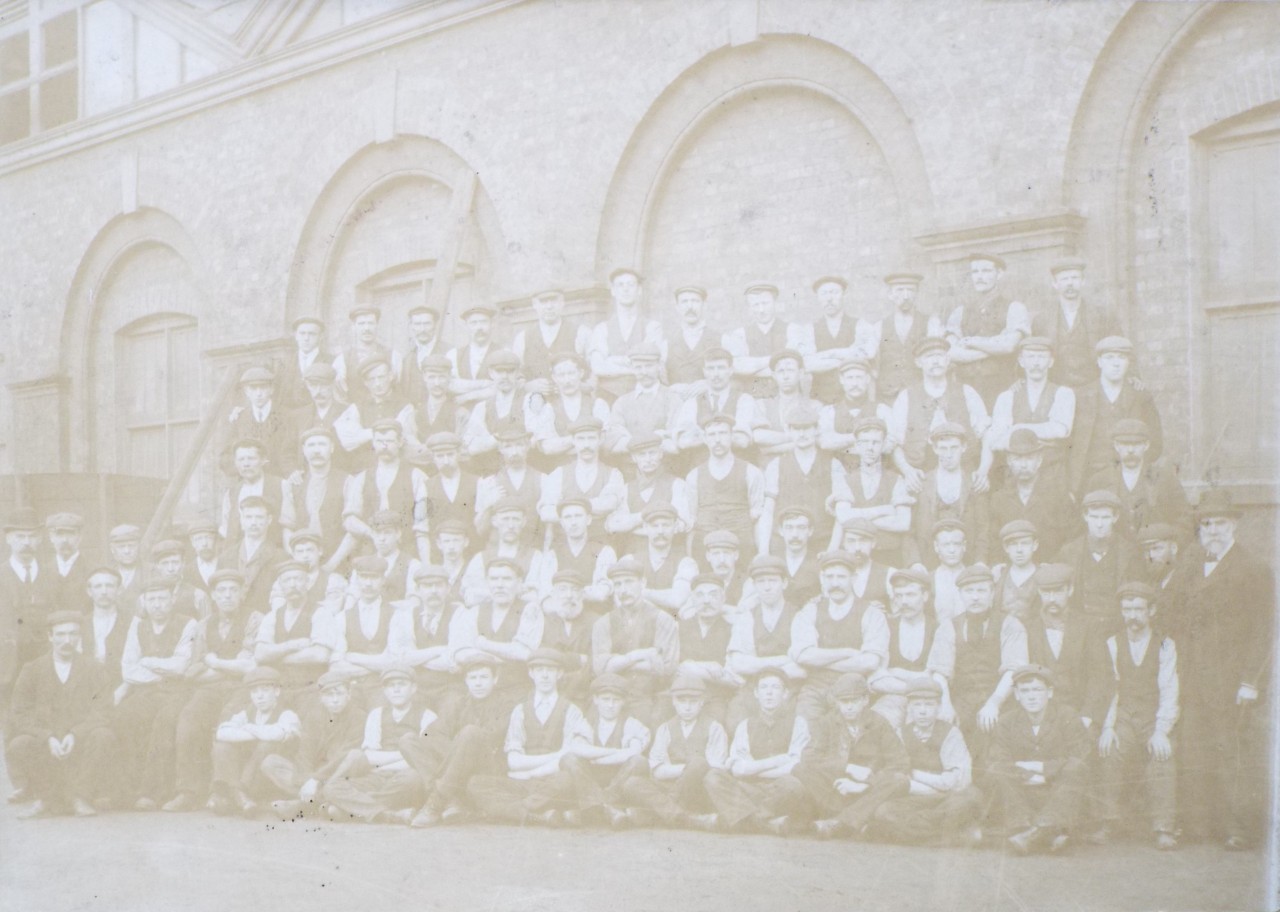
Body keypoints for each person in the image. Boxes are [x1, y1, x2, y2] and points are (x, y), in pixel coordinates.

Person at [1167, 489, 1274, 850]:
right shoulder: (1189, 563)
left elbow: (1263, 631)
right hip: (1194, 675)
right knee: (1196, 747)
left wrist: (1250, 682)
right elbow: (1171, 608)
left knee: (1234, 752)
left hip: (1232, 679)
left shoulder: (1254, 569)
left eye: (1220, 523)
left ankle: (1240, 828)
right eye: (1206, 524)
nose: (1213, 530)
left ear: (1234, 527)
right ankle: (1203, 825)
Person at [162, 569, 260, 812]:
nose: (227, 596)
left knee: (226, 724)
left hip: (242, 689)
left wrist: (215, 662)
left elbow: (249, 666)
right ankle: (188, 791)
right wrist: (227, 666)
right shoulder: (204, 625)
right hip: (208, 689)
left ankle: (222, 793)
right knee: (188, 721)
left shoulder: (254, 619)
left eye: (233, 590)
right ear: (213, 596)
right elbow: (193, 668)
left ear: (241, 594)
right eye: (222, 591)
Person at [1093, 581, 1179, 850]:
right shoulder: (1112, 643)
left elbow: (1169, 690)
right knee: (1111, 749)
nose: (1132, 616)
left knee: (1162, 754)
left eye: (1139, 609)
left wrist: (1161, 731)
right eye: (1127, 609)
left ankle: (1164, 827)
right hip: (1124, 714)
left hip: (1154, 717)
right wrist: (1108, 727)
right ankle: (1108, 822)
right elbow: (1111, 688)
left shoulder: (1165, 645)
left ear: (1151, 611)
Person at [8, 611, 117, 818]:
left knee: (104, 736)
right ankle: (45, 798)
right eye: (60, 635)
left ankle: (80, 796)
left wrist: (75, 734)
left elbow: (103, 710)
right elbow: (20, 712)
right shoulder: (32, 669)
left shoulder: (94, 669)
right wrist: (47, 736)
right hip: (45, 739)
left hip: (80, 739)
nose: (67, 641)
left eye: (73, 634)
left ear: (79, 637)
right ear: (50, 636)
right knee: (19, 744)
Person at [467, 648, 592, 825]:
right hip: (521, 783)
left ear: (560, 674)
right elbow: (513, 761)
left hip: (552, 781)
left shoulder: (571, 710)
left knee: (567, 780)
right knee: (475, 783)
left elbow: (570, 759)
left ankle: (512, 811)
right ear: (531, 674)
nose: (545, 676)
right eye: (540, 670)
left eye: (550, 670)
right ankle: (540, 814)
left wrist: (533, 771)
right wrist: (556, 756)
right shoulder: (520, 711)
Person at [112, 579, 199, 809]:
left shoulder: (188, 623)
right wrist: (162, 673)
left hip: (178, 692)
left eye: (162, 599)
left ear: (172, 600)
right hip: (148, 691)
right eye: (152, 600)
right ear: (144, 602)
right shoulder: (137, 625)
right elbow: (129, 669)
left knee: (166, 721)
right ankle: (126, 790)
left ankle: (153, 792)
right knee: (123, 717)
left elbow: (181, 666)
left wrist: (148, 661)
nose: (157, 605)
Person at [987, 664, 1091, 855]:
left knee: (1077, 768)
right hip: (1022, 796)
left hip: (1059, 794)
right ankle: (1034, 829)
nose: (1031, 696)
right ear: (1016, 695)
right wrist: (1038, 774)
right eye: (1025, 691)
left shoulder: (1067, 715)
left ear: (1049, 693)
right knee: (996, 769)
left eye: (1037, 690)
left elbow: (1080, 756)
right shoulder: (1007, 721)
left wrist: (1042, 767)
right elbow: (998, 759)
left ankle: (1033, 834)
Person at [795, 671, 910, 839]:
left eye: (854, 701)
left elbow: (900, 763)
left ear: (865, 700)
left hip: (867, 792)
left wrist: (865, 784)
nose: (848, 707)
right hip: (836, 789)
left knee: (900, 780)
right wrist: (846, 768)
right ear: (837, 702)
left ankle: (840, 822)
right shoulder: (827, 722)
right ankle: (854, 820)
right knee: (800, 769)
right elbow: (809, 757)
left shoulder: (879, 723)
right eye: (843, 702)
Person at [321, 665, 442, 824]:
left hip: (405, 777)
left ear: (413, 688)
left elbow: (422, 760)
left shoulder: (428, 716)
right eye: (391, 686)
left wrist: (386, 762)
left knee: (413, 780)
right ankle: (388, 814)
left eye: (402, 684)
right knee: (332, 787)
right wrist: (404, 755)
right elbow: (370, 756)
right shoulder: (376, 715)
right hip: (377, 776)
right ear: (385, 691)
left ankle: (351, 808)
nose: (396, 690)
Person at [872, 676, 984, 846]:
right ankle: (952, 838)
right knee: (884, 811)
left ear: (939, 707)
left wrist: (915, 774)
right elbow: (892, 775)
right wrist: (927, 787)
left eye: (929, 705)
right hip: (917, 798)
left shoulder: (950, 733)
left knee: (970, 798)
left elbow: (956, 781)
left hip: (947, 798)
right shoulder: (900, 734)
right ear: (909, 707)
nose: (923, 711)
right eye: (917, 705)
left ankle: (921, 836)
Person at [407, 653, 512, 827]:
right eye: (473, 678)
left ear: (495, 679)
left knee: (470, 733)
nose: (478, 683)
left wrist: (462, 743)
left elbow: (492, 737)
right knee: (409, 740)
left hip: (487, 768)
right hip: (457, 768)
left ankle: (435, 804)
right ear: (466, 681)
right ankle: (454, 800)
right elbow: (431, 734)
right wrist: (458, 751)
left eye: (484, 677)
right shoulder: (459, 703)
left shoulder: (506, 704)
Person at [704, 668, 811, 834]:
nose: (769, 693)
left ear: (785, 693)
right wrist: (777, 761)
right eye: (764, 688)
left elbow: (795, 766)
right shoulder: (745, 725)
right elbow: (739, 769)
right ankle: (765, 823)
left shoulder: (799, 723)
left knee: (793, 785)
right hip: (749, 789)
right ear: (756, 693)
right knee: (713, 777)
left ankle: (742, 819)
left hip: (780, 789)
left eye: (775, 688)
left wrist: (753, 768)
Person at [789, 549, 890, 722]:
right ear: (822, 579)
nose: (835, 583)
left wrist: (820, 661)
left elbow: (869, 662)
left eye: (841, 577)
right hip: (815, 690)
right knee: (804, 729)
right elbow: (803, 655)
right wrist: (848, 652)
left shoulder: (871, 614)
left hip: (853, 692)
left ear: (853, 578)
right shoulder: (810, 610)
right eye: (829, 577)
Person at [949, 563, 1029, 774]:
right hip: (962, 700)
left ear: (993, 593)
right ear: (960, 594)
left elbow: (1015, 670)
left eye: (981, 591)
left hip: (1002, 699)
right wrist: (945, 705)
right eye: (969, 591)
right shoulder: (949, 626)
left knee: (998, 742)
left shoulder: (1011, 624)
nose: (975, 597)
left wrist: (994, 703)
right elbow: (939, 671)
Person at [621, 674, 726, 829]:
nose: (687, 707)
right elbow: (657, 771)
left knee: (699, 763)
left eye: (693, 702)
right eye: (682, 701)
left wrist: (691, 769)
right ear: (674, 702)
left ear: (701, 703)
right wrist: (687, 769)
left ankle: (659, 814)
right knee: (632, 783)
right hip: (669, 786)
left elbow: (713, 768)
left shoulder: (714, 728)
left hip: (698, 791)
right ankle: (690, 819)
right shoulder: (665, 728)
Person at [889, 337, 991, 492]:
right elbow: (894, 443)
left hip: (964, 473)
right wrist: (908, 472)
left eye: (940, 356)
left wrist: (983, 471)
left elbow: (987, 436)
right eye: (929, 357)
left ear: (948, 360)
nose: (936, 361)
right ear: (918, 363)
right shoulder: (906, 396)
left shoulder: (967, 392)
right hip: (920, 474)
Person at [1067, 336, 1163, 499]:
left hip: (1126, 476)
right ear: (1099, 362)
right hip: (1088, 477)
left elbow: (1156, 441)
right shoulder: (1081, 396)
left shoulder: (1140, 396)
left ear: (1128, 363)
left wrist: (1135, 469)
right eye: (1109, 357)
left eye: (1122, 357)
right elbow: (1069, 444)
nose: (1116, 363)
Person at [260, 671, 365, 819]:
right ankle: (314, 801)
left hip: (338, 775)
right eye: (329, 695)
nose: (335, 700)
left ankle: (303, 804)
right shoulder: (314, 716)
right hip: (313, 776)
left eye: (339, 694)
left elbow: (345, 755)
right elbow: (305, 753)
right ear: (321, 698)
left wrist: (315, 779)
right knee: (270, 762)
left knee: (352, 763)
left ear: (349, 695)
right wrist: (306, 782)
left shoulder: (358, 716)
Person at [591, 557, 679, 726]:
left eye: (629, 582)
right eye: (618, 584)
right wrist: (641, 655)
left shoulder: (663, 619)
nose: (623, 590)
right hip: (613, 698)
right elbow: (600, 669)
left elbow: (666, 667)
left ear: (643, 583)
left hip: (651, 696)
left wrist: (618, 661)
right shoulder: (603, 623)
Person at [558, 672, 651, 827]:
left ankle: (601, 805)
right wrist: (615, 752)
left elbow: (634, 752)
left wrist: (595, 756)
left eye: (616, 700)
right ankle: (609, 809)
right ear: (595, 700)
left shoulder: (631, 723)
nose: (610, 705)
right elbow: (578, 749)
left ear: (623, 702)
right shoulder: (586, 723)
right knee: (569, 759)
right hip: (590, 779)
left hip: (619, 778)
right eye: (605, 699)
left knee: (638, 762)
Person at [868, 567, 956, 730]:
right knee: (877, 727)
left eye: (910, 595)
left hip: (928, 702)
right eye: (899, 596)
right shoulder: (886, 626)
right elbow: (876, 680)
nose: (904, 602)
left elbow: (940, 677)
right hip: (892, 698)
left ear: (925, 596)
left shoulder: (939, 629)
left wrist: (897, 672)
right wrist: (921, 678)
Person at [208, 667, 301, 816]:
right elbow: (222, 732)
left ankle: (233, 795)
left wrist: (248, 728)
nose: (260, 697)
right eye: (255, 692)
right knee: (222, 747)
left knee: (267, 744)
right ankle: (240, 795)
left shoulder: (287, 714)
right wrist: (257, 732)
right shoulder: (247, 713)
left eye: (265, 690)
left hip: (268, 778)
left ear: (276, 692)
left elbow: (277, 734)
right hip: (246, 775)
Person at [726, 555, 806, 729]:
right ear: (754, 585)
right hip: (755, 688)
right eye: (761, 582)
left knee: (794, 723)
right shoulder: (747, 617)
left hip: (790, 688)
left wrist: (756, 664)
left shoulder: (799, 616)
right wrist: (783, 660)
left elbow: (801, 667)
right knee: (736, 720)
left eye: (773, 581)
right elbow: (739, 664)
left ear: (784, 583)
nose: (767, 587)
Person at [985, 336, 1076, 483]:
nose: (1036, 363)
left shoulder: (1064, 393)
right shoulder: (1007, 397)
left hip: (1052, 474)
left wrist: (1017, 428)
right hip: (1015, 476)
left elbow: (1059, 430)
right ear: (1021, 361)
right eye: (1030, 357)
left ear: (1051, 362)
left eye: (1041, 357)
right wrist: (1044, 437)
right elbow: (996, 441)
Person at [945, 252, 1031, 406]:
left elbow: (1009, 346)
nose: (979, 277)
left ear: (999, 274)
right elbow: (950, 353)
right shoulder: (959, 312)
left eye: (986, 271)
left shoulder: (1014, 308)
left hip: (1004, 389)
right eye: (975, 272)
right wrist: (993, 348)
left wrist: (971, 342)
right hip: (966, 390)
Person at [1084, 419, 1191, 539]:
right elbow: (1086, 523)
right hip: (1116, 554)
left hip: (1152, 552)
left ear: (1146, 445)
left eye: (1136, 444)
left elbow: (1184, 519)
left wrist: (1168, 545)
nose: (1130, 450)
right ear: (1116, 446)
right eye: (1125, 444)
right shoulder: (1100, 481)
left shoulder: (1165, 479)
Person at [343, 419, 430, 563]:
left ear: (400, 442)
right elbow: (349, 519)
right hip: (371, 551)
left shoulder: (416, 476)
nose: (384, 446)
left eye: (389, 441)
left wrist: (425, 563)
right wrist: (372, 534)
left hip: (407, 551)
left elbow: (422, 524)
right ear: (373, 443)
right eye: (379, 441)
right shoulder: (362, 478)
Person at [1056, 490, 1140, 639]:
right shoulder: (1069, 552)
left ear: (1115, 517)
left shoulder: (1130, 553)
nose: (1099, 524)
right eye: (1094, 517)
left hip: (1118, 629)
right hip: (1080, 629)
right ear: (1085, 516)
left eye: (1105, 517)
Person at [253, 560, 336, 710]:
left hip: (311, 689)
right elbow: (259, 654)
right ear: (280, 585)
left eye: (298, 579)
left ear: (307, 582)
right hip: (278, 691)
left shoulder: (321, 613)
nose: (293, 585)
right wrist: (293, 645)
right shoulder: (272, 616)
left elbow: (320, 655)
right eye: (287, 580)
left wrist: (275, 657)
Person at [1022, 563, 1098, 726]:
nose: (1051, 599)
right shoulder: (1028, 629)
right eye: (1046, 592)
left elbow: (1099, 676)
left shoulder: (1088, 626)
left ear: (1070, 590)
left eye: (1057, 591)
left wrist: (1087, 715)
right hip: (1041, 716)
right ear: (1039, 592)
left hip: (1080, 713)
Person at [829, 417, 912, 565]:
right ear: (857, 446)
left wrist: (857, 517)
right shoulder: (846, 480)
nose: (870, 448)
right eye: (864, 442)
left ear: (883, 445)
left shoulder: (897, 480)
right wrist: (885, 509)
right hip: (855, 557)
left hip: (890, 556)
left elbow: (903, 523)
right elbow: (842, 517)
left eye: (875, 442)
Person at [686, 413, 767, 561]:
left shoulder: (751, 472)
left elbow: (757, 517)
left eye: (723, 433)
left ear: (731, 436)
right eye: (712, 435)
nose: (717, 440)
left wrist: (761, 552)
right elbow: (691, 520)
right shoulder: (694, 476)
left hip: (741, 546)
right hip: (705, 548)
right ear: (705, 439)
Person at [987, 429, 1076, 562]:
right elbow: (993, 541)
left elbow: (1070, 539)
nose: (1023, 465)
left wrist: (1053, 566)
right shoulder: (999, 499)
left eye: (1029, 458)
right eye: (1018, 459)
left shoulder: (1057, 496)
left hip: (1048, 572)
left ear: (1039, 460)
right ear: (1009, 461)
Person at [1032, 258, 1121, 389]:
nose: (1070, 283)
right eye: (1064, 279)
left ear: (1083, 281)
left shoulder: (1102, 316)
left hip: (1094, 386)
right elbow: (1032, 354)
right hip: (1057, 387)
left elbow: (1119, 348)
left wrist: (1132, 376)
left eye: (1074, 278)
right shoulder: (1042, 320)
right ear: (1055, 284)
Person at [910, 423, 990, 568]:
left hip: (968, 565)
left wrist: (980, 561)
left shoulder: (975, 483)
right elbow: (909, 531)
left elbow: (983, 529)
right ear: (935, 449)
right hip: (927, 565)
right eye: (943, 448)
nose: (948, 455)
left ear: (963, 447)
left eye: (954, 448)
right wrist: (915, 563)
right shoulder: (920, 483)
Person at [762, 404, 839, 550]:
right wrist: (764, 550)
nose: (802, 434)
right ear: (789, 430)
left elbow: (841, 512)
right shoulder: (776, 465)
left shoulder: (833, 464)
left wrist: (832, 550)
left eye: (807, 428)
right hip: (786, 545)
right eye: (797, 429)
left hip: (823, 541)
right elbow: (768, 511)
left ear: (816, 429)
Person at [329, 556, 413, 690]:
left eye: (374, 578)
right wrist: (378, 664)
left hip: (385, 689)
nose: (368, 583)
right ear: (356, 580)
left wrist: (353, 658)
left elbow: (396, 662)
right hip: (352, 689)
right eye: (363, 577)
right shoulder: (342, 618)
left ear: (383, 580)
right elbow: (336, 667)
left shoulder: (397, 615)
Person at [603, 434, 690, 559]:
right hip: (633, 555)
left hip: (668, 555)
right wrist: (648, 517)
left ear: (660, 454)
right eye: (642, 454)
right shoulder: (626, 488)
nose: (648, 459)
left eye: (652, 453)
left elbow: (682, 524)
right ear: (634, 457)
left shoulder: (677, 484)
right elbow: (613, 525)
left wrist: (632, 525)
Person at [722, 282, 812, 399]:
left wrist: (753, 367)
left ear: (775, 303)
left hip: (787, 399)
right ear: (749, 307)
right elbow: (739, 367)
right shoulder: (740, 334)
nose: (761, 310)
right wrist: (779, 361)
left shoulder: (793, 330)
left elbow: (798, 367)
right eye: (755, 305)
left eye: (765, 303)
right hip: (753, 400)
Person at [1, 508, 59, 689]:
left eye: (32, 537)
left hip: (45, 660)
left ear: (40, 539)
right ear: (8, 538)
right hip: (7, 664)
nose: (26, 542)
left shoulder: (52, 574)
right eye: (20, 536)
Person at [587, 268, 664, 402]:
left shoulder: (652, 327)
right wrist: (633, 366)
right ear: (613, 291)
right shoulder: (602, 329)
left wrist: (612, 360)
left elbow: (652, 366)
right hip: (608, 397)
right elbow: (598, 367)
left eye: (631, 285)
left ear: (639, 290)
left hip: (643, 397)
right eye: (620, 285)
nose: (625, 289)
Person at [676, 574, 742, 723]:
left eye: (713, 595)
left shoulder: (732, 629)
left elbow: (733, 677)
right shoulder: (680, 627)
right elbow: (675, 667)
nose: (706, 601)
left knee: (717, 721)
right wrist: (708, 666)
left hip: (716, 697)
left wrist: (691, 667)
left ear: (723, 599)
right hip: (681, 694)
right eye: (700, 595)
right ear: (692, 599)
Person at [284, 427, 355, 565]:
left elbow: (352, 531)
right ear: (304, 450)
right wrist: (296, 560)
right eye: (311, 445)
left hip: (337, 559)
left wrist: (332, 563)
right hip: (302, 561)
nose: (316, 450)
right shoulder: (294, 483)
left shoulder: (347, 481)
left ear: (332, 448)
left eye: (322, 444)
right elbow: (287, 527)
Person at [803, 276, 878, 405]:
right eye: (824, 294)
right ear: (818, 298)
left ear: (843, 295)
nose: (829, 299)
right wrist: (848, 357)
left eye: (834, 293)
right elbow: (807, 364)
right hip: (821, 400)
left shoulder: (860, 325)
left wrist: (824, 355)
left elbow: (867, 353)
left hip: (855, 400)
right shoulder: (809, 329)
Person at [607, 342, 683, 458]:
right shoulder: (622, 402)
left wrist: (632, 441)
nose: (644, 372)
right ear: (632, 368)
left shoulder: (672, 398)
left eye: (649, 366)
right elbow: (615, 442)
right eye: (638, 367)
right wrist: (658, 438)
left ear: (659, 366)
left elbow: (674, 443)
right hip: (630, 468)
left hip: (667, 466)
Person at [875, 271, 941, 405]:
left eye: (910, 290)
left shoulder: (931, 323)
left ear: (917, 294)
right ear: (890, 295)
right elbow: (873, 366)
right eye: (899, 290)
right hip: (888, 396)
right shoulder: (879, 326)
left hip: (920, 394)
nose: (905, 296)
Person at [217, 496, 287, 614]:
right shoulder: (226, 557)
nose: (253, 522)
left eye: (259, 517)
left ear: (269, 520)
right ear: (242, 520)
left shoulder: (281, 557)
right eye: (248, 517)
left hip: (265, 621)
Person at [223, 366, 295, 477]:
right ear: (246, 391)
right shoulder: (239, 418)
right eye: (253, 388)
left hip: (276, 480)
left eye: (263, 388)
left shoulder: (286, 417)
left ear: (271, 390)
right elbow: (226, 456)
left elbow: (290, 452)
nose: (258, 394)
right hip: (247, 480)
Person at [512, 290, 588, 389]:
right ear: (534, 304)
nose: (549, 306)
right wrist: (527, 386)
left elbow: (593, 373)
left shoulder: (581, 332)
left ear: (562, 302)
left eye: (554, 301)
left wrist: (580, 386)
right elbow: (515, 374)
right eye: (543, 302)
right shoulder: (522, 338)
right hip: (535, 399)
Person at [218, 439, 289, 545]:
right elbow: (226, 531)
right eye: (241, 459)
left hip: (273, 554)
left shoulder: (281, 485)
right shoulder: (231, 493)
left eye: (251, 459)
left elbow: (288, 526)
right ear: (235, 463)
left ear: (263, 460)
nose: (246, 464)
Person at [332, 306, 402, 407]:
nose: (366, 328)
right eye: (361, 324)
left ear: (377, 325)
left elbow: (398, 390)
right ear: (354, 327)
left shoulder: (393, 356)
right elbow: (340, 397)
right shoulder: (342, 360)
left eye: (370, 323)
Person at [661, 285, 718, 396]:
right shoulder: (666, 344)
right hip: (676, 405)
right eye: (684, 302)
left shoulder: (721, 340)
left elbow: (733, 378)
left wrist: (710, 383)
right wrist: (671, 388)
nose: (690, 307)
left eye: (695, 301)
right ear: (677, 307)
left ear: (704, 305)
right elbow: (658, 382)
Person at [83, 566, 130, 690]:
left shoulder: (131, 623)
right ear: (89, 591)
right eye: (98, 586)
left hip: (121, 686)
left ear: (119, 590)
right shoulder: (81, 624)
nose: (104, 591)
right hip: (86, 688)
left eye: (109, 586)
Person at [276, 316, 331, 411]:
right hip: (288, 418)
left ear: (321, 337)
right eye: (302, 333)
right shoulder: (284, 363)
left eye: (312, 334)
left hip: (315, 418)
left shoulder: (330, 361)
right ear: (296, 336)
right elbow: (277, 395)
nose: (306, 338)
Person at [992, 519, 1041, 621]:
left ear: (1035, 545)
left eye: (1025, 543)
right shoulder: (998, 575)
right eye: (1014, 544)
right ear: (1006, 548)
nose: (1019, 550)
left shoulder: (1043, 575)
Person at [398, 305, 446, 406]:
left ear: (435, 325)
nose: (422, 329)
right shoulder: (407, 355)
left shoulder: (448, 352)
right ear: (411, 326)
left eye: (427, 324)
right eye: (417, 324)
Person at [773, 506, 821, 608]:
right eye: (789, 528)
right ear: (781, 531)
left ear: (810, 531)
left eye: (801, 528)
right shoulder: (773, 562)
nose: (795, 534)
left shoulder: (819, 564)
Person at [45, 512, 89, 605]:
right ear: (51, 537)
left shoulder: (92, 571)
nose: (65, 540)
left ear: (80, 537)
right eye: (60, 534)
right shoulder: (41, 572)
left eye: (71, 534)